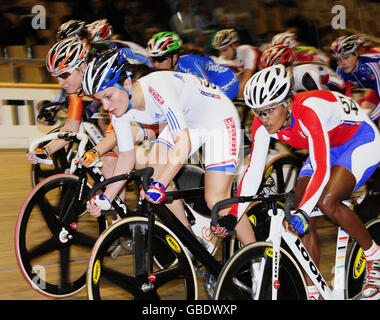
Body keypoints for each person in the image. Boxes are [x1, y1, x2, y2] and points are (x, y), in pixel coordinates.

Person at [219, 65, 380, 299]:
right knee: (296, 205)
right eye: (258, 112)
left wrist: (305, 212)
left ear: (286, 102)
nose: (263, 119)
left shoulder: (309, 112)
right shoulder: (263, 124)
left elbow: (322, 168)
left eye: (269, 111)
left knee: (326, 201)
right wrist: (235, 212)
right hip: (330, 145)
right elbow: (254, 171)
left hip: (361, 139)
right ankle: (312, 288)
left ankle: (374, 255)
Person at [83, 48, 255, 246]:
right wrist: (106, 198)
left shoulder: (157, 88)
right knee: (152, 178)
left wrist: (162, 185)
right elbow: (126, 158)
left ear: (127, 84)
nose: (105, 106)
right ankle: (190, 241)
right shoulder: (120, 110)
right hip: (189, 122)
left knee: (217, 201)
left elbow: (183, 143)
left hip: (218, 119)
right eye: (100, 100)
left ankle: (258, 261)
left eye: (108, 96)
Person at [27, 38, 151, 184]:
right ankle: (111, 206)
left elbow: (122, 128)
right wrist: (46, 150)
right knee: (107, 167)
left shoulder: (102, 80)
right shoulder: (77, 89)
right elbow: (71, 129)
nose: (60, 82)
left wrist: (96, 151)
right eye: (56, 77)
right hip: (126, 114)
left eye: (64, 75)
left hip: (148, 108)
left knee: (127, 153)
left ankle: (159, 183)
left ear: (83, 66)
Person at [146, 31, 239, 100]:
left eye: (160, 59)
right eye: (153, 59)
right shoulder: (164, 67)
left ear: (174, 57)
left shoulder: (191, 63)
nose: (156, 65)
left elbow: (206, 92)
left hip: (226, 81)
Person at [331, 34, 380, 126]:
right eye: (338, 59)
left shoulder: (369, 66)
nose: (342, 63)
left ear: (356, 54)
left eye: (346, 57)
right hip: (375, 89)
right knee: (365, 111)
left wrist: (368, 119)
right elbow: (344, 99)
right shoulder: (341, 71)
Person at [260, 44, 345, 93]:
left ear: (290, 66)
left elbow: (322, 103)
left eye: (281, 71)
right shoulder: (287, 78)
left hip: (340, 89)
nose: (278, 76)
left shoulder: (306, 75)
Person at [211, 28, 261, 98]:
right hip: (254, 79)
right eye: (219, 51)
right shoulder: (222, 58)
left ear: (234, 45)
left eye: (225, 50)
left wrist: (240, 100)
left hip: (264, 76)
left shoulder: (246, 51)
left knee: (241, 79)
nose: (222, 54)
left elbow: (247, 75)